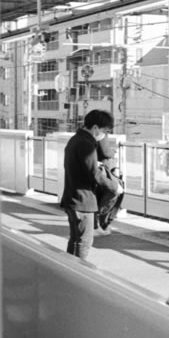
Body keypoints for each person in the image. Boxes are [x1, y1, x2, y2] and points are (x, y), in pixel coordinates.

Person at [60, 109, 118, 260]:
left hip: (72, 197)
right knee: (84, 242)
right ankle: (78, 275)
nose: (104, 135)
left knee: (75, 240)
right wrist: (114, 186)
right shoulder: (87, 145)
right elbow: (95, 174)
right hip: (83, 200)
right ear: (95, 128)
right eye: (104, 131)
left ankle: (68, 272)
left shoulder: (75, 140)